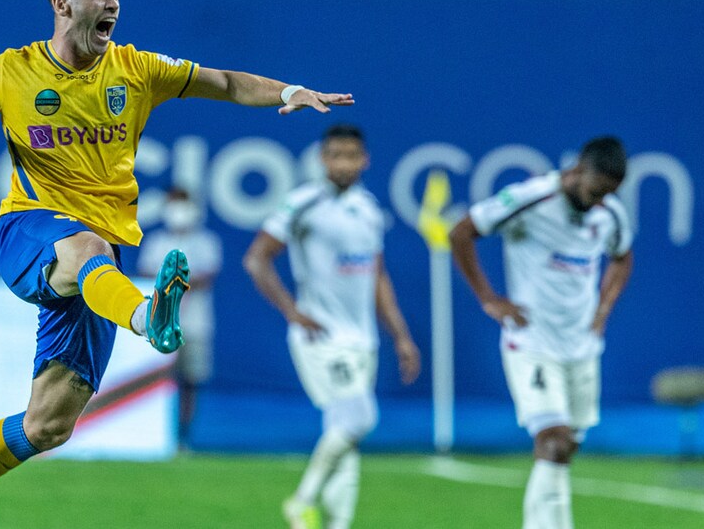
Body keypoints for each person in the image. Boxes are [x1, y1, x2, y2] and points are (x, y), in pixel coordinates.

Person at [0, 0, 354, 528]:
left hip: (98, 267)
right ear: (62, 4)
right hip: (32, 231)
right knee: (86, 247)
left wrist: (292, 91)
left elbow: (228, 83)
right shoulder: (11, 70)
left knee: (47, 426)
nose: (112, 3)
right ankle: (147, 319)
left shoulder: (137, 68)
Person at [448, 136, 633, 529]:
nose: (600, 202)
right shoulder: (531, 197)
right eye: (597, 191)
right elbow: (461, 232)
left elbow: (622, 256)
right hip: (530, 341)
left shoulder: (610, 212)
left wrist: (602, 312)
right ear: (579, 170)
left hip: (581, 346)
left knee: (566, 448)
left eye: (609, 195)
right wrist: (488, 298)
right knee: (553, 440)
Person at [243, 124, 420, 529]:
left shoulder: (370, 210)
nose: (343, 163)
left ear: (365, 160)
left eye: (351, 155)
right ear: (322, 159)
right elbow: (257, 259)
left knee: (346, 440)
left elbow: (378, 277)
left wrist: (401, 336)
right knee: (358, 419)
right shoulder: (303, 203)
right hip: (320, 338)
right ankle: (301, 500)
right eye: (335, 155)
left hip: (363, 340)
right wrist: (292, 311)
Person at [137, 186, 223, 450]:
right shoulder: (156, 242)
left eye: (183, 204)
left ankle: (183, 437)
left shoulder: (206, 241)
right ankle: (156, 435)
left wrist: (171, 282)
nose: (178, 212)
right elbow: (146, 276)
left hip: (196, 323)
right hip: (160, 323)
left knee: (190, 382)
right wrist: (179, 281)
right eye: (173, 204)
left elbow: (206, 277)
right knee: (158, 382)